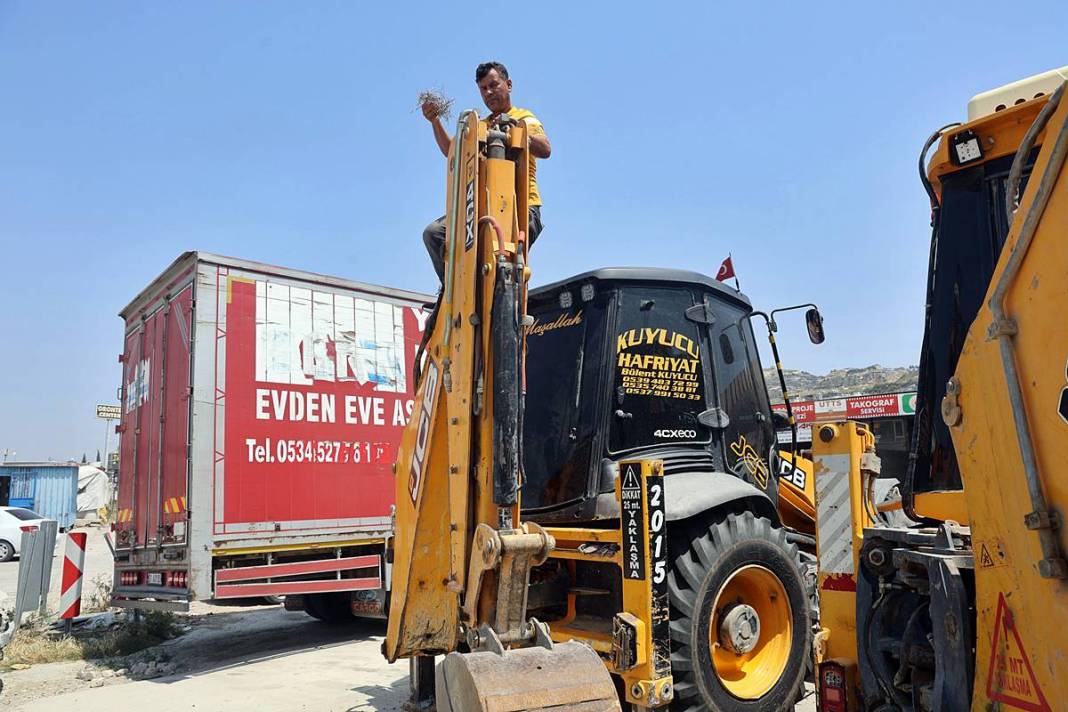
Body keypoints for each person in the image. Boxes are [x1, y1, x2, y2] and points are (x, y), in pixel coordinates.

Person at [421, 61, 552, 282]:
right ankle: (452, 289)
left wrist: (516, 133)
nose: (489, 92)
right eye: (483, 89)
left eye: (494, 85)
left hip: (520, 208)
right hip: (483, 209)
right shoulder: (481, 126)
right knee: (434, 233)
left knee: (500, 267)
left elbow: (545, 149)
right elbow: (451, 152)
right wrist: (435, 121)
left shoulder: (523, 118)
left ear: (508, 85)